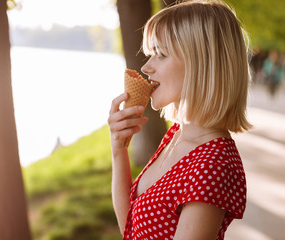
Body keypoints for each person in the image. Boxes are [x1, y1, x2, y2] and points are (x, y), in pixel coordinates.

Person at [107, 1, 251, 239]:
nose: (146, 67)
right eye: (151, 54)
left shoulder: (212, 164)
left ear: (201, 64)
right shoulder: (177, 135)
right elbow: (131, 230)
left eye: (161, 55)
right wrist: (118, 150)